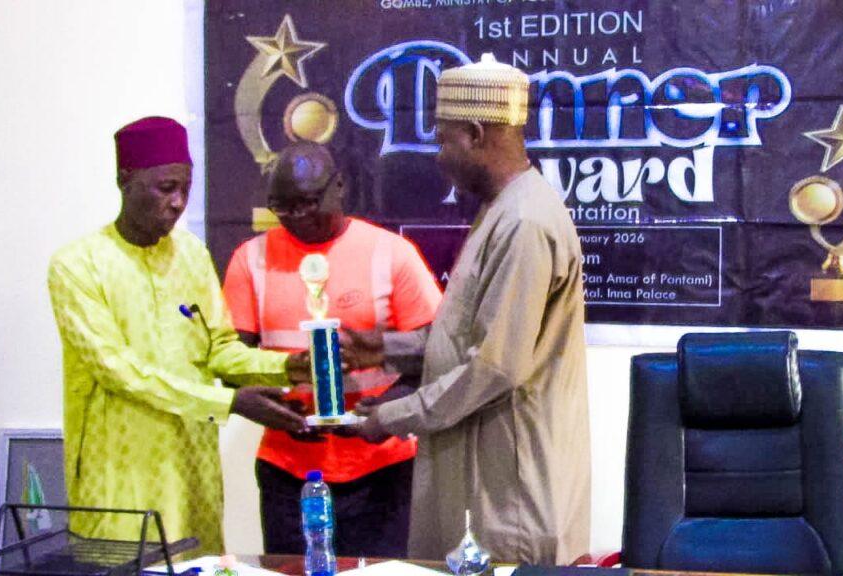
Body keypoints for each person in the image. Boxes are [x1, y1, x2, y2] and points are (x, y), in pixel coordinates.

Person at [354, 55, 592, 564]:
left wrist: (391, 417)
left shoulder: (525, 222)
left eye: (444, 140)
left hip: (509, 492)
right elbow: (462, 333)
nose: (439, 157)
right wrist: (381, 348)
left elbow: (494, 367)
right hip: (484, 479)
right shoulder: (502, 209)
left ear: (476, 134)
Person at [47, 116, 310, 553]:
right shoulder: (77, 266)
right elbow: (119, 371)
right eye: (165, 188)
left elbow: (220, 349)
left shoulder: (190, 254)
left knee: (199, 563)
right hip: (119, 474)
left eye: (185, 189)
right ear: (125, 180)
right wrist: (228, 403)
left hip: (192, 469)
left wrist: (288, 366)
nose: (178, 202)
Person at [222, 141, 443, 557]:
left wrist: (386, 409)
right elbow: (232, 364)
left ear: (339, 186)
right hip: (287, 472)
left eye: (307, 202)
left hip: (383, 468)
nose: (296, 216)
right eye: (281, 207)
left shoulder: (391, 254)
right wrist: (273, 403)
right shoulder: (249, 260)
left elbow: (436, 351)